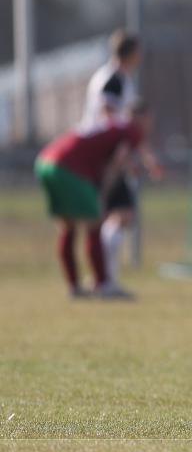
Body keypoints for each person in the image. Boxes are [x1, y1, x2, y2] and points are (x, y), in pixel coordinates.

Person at [35, 103, 153, 298]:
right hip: (68, 167)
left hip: (45, 161)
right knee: (94, 222)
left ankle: (74, 287)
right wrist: (103, 194)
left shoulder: (110, 123)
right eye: (149, 120)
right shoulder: (132, 129)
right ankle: (103, 284)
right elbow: (118, 160)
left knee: (68, 225)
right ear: (141, 118)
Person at [80, 30, 161, 296]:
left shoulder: (112, 77)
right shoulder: (113, 79)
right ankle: (106, 280)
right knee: (121, 213)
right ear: (131, 53)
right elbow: (110, 117)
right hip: (107, 156)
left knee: (109, 216)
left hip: (105, 154)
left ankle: (103, 279)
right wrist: (123, 157)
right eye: (138, 51)